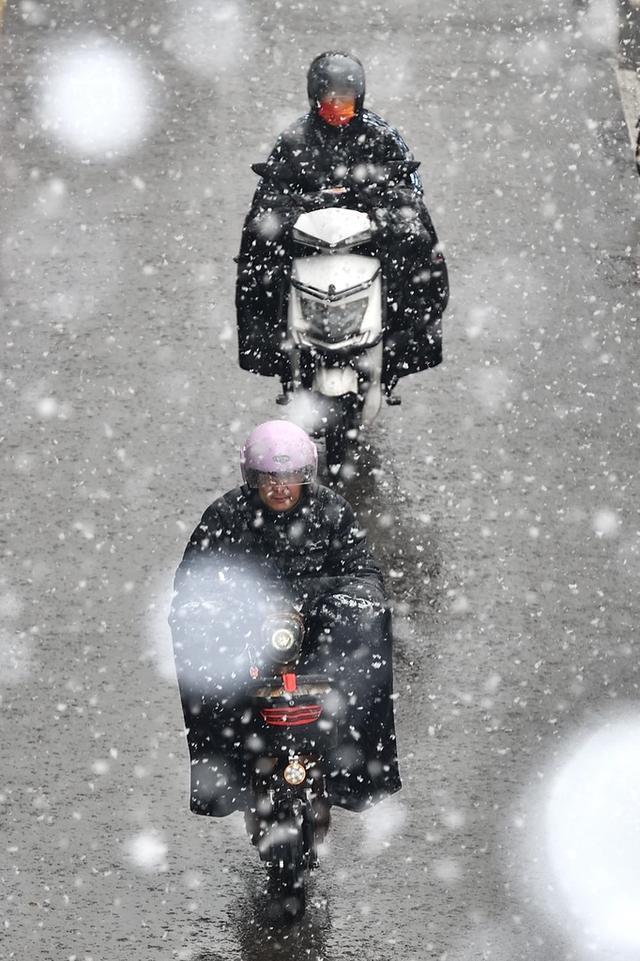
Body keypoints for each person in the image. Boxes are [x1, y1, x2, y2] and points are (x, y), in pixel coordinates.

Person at [169, 420, 401, 827]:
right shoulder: (225, 516)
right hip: (247, 640)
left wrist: (345, 603)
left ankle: (360, 769)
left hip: (318, 637)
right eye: (268, 478)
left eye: (290, 476)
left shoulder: (332, 513)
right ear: (252, 479)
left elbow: (363, 572)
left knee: (371, 643)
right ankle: (223, 773)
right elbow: (194, 582)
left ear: (305, 477)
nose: (280, 487)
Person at [235, 50, 449, 395]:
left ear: (359, 101)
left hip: (367, 240)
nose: (337, 111)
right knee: (258, 252)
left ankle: (400, 348)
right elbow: (267, 196)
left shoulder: (382, 136)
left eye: (346, 104)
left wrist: (386, 209)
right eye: (329, 103)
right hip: (310, 240)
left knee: (420, 249)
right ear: (314, 100)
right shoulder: (293, 140)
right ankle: (272, 350)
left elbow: (412, 192)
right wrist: (295, 208)